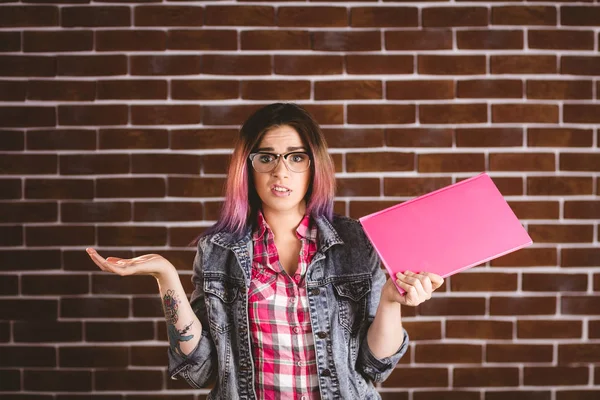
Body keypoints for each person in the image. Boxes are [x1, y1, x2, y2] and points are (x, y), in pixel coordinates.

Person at [86, 102, 443, 399]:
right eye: (266, 157)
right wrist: (165, 277)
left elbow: (374, 367)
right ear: (248, 167)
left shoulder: (356, 242)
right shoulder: (217, 250)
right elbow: (202, 370)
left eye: (296, 157)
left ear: (314, 165)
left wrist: (390, 302)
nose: (281, 172)